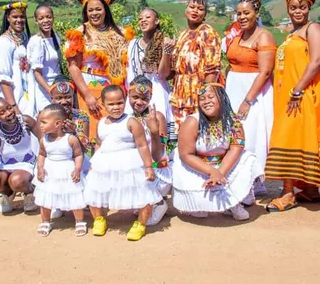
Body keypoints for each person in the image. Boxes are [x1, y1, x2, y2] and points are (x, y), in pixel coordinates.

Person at [264, 0, 320, 213]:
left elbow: (316, 61)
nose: (298, 11)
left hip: (302, 94)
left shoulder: (313, 29)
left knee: (289, 138)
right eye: (293, 7)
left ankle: (288, 192)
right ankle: (309, 189)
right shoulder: (293, 33)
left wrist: (297, 90)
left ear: (309, 8)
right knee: (300, 138)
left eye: (302, 7)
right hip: (289, 95)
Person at [172, 83, 263, 220]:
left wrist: (219, 173)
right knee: (200, 210)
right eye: (202, 99)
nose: (206, 102)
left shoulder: (234, 121)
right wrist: (211, 171)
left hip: (224, 166)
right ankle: (199, 203)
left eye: (210, 97)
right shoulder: (192, 121)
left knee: (249, 158)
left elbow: (236, 148)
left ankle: (232, 202)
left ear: (222, 98)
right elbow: (186, 154)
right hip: (198, 167)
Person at [84, 85, 161, 241]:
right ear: (103, 104)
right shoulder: (100, 123)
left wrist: (148, 166)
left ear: (125, 101)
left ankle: (140, 224)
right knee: (94, 189)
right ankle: (99, 219)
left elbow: (142, 145)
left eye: (119, 103)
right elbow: (99, 144)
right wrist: (94, 163)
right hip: (105, 163)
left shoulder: (131, 122)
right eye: (111, 104)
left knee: (144, 191)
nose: (116, 107)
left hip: (129, 163)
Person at [65, 0, 133, 142]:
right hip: (91, 89)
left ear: (106, 10)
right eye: (90, 10)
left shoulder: (121, 33)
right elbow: (73, 66)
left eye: (98, 9)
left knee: (117, 134)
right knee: (95, 136)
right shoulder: (80, 33)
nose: (94, 13)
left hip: (117, 91)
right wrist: (88, 95)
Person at [224, 0, 276, 195]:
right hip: (234, 89)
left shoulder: (264, 36)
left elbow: (265, 71)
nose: (242, 17)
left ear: (256, 13)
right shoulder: (238, 36)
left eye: (246, 13)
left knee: (251, 134)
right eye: (239, 13)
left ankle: (254, 180)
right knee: (235, 134)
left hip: (253, 92)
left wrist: (247, 100)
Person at [0, 95, 41, 214]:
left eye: (9, 108)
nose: (9, 113)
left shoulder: (25, 121)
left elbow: (43, 139)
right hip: (5, 164)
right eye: (2, 112)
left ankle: (29, 193)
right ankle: (8, 194)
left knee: (17, 180)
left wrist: (43, 161)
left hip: (26, 163)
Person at [169, 0, 221, 130]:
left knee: (196, 136)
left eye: (200, 9)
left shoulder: (207, 33)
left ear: (205, 14)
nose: (195, 11)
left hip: (197, 97)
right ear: (186, 9)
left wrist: (205, 98)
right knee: (177, 136)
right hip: (179, 97)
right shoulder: (183, 34)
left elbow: (212, 69)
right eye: (192, 7)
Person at [33, 104, 87, 237]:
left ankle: (79, 221)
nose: (40, 125)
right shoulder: (44, 140)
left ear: (57, 123)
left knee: (74, 196)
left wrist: (77, 169)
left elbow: (78, 155)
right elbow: (42, 154)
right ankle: (45, 221)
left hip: (67, 170)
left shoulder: (70, 139)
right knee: (46, 196)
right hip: (50, 171)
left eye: (44, 122)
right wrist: (40, 168)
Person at [128, 75, 172, 226]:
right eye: (135, 97)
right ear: (128, 95)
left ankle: (159, 202)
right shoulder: (126, 118)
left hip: (156, 170)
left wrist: (154, 132)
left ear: (151, 97)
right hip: (137, 168)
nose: (139, 102)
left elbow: (159, 156)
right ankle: (146, 201)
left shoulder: (157, 117)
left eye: (144, 98)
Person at [126, 8, 174, 133]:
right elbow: (130, 71)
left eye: (147, 17)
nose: (143, 20)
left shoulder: (164, 43)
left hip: (156, 92)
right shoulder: (133, 44)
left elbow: (163, 75)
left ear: (157, 21)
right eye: (140, 19)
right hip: (135, 92)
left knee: (158, 129)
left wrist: (167, 52)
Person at [0, 1, 35, 116]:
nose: (19, 20)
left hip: (28, 91)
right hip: (13, 94)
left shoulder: (25, 38)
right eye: (15, 17)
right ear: (8, 18)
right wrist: (13, 107)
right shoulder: (4, 42)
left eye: (22, 17)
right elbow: (3, 78)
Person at [28, 5, 63, 114]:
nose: (46, 21)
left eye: (48, 17)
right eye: (41, 18)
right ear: (36, 21)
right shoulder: (37, 41)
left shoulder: (56, 37)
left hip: (58, 85)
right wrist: (51, 92)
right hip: (44, 89)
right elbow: (37, 73)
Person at [50, 76, 91, 155]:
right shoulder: (46, 117)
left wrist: (73, 133)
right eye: (59, 98)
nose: (64, 102)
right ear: (52, 99)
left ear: (73, 97)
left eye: (68, 97)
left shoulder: (81, 115)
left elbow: (85, 150)